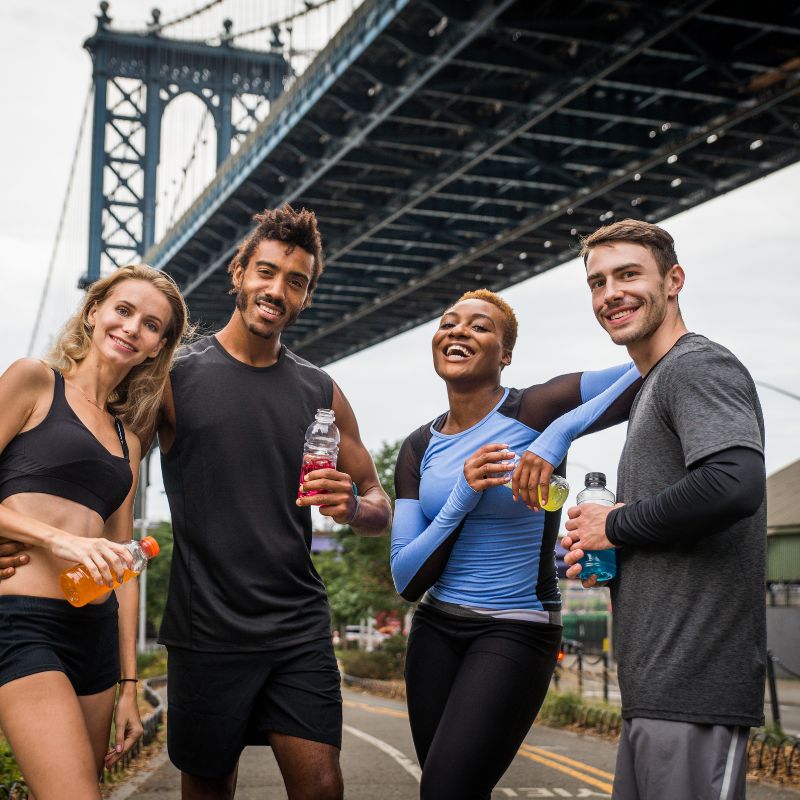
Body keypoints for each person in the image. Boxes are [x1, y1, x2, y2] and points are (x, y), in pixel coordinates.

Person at [154, 205, 392, 800]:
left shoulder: (320, 390)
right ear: (238, 272)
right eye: (265, 272)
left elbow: (377, 502)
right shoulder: (173, 377)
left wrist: (353, 508)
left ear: (307, 296)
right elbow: (106, 466)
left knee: (322, 787)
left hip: (297, 627)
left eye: (296, 281)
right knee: (208, 788)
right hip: (206, 626)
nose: (276, 290)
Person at [390, 288, 642, 800]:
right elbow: (406, 578)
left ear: (505, 355)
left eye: (480, 326)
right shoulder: (417, 447)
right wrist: (463, 494)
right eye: (448, 322)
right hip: (435, 631)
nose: (458, 330)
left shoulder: (539, 406)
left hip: (516, 630)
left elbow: (654, 364)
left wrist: (559, 433)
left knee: (446, 790)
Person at [561, 219, 766, 800]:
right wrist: (601, 548)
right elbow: (674, 521)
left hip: (695, 685)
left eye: (629, 275)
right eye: (597, 283)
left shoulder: (697, 365)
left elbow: (734, 484)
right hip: (656, 688)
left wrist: (617, 525)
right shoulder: (653, 385)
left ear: (674, 280)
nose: (611, 294)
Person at [0, 264, 189, 800]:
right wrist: (57, 539)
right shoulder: (33, 380)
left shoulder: (129, 441)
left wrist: (130, 684)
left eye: (152, 325)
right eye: (123, 311)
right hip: (23, 624)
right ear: (93, 314)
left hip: (96, 642)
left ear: (158, 348)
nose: (133, 328)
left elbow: (127, 565)